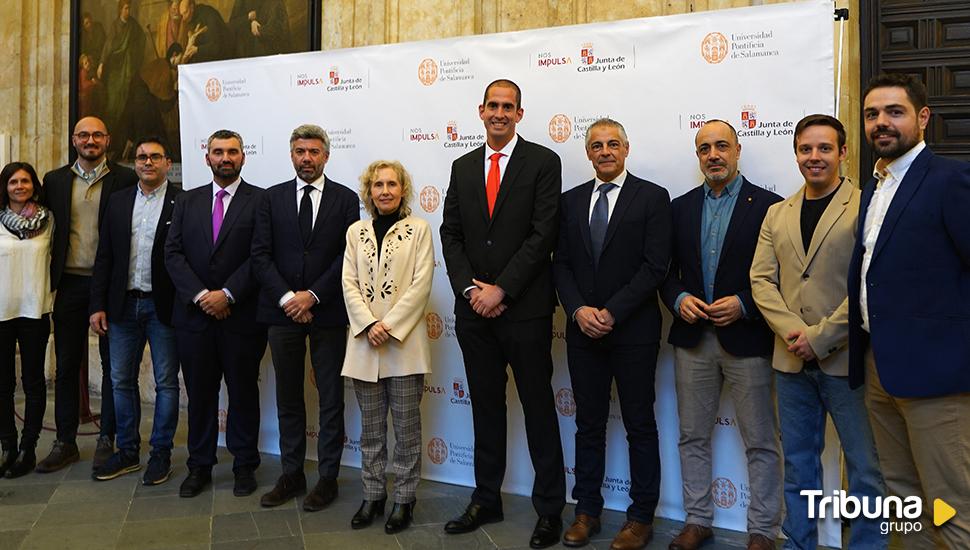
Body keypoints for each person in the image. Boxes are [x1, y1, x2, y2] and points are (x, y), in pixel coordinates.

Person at [439, 79, 566, 549]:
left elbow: (543, 235)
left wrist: (503, 290)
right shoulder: (463, 165)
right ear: (480, 110)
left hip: (525, 311)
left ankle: (549, 509)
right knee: (486, 410)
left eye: (507, 106)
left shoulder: (543, 162)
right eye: (492, 105)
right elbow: (450, 234)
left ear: (519, 113)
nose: (499, 113)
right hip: (474, 312)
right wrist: (473, 289)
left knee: (538, 410)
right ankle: (485, 498)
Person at [750, 114, 885, 550]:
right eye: (806, 149)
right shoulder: (776, 212)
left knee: (865, 467)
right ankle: (798, 542)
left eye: (825, 148)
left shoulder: (865, 206)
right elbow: (761, 281)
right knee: (799, 465)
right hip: (791, 360)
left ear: (843, 153)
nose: (815, 157)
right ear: (796, 154)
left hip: (847, 360)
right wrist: (797, 334)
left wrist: (821, 337)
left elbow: (869, 281)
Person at [848, 73, 970, 548]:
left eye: (894, 112)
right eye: (872, 114)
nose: (881, 123)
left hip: (938, 375)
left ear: (922, 118)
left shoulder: (950, 180)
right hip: (881, 366)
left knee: (952, 506)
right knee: (904, 500)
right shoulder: (876, 186)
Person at [660, 120, 783, 550]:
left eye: (721, 146)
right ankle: (697, 520)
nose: (713, 155)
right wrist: (678, 300)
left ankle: (764, 530)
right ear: (698, 156)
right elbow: (665, 273)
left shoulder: (770, 207)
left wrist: (745, 304)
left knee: (761, 440)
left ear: (737, 150)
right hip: (693, 340)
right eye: (704, 148)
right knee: (692, 435)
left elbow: (780, 276)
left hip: (748, 340)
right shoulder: (679, 207)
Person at [552, 119, 671, 550]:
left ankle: (641, 517)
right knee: (589, 425)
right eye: (597, 145)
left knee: (640, 424)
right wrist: (580, 310)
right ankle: (586, 511)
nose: (605, 151)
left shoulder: (653, 197)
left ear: (626, 149)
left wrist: (611, 312)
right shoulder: (569, 202)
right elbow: (560, 264)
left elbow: (655, 266)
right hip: (583, 332)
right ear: (588, 153)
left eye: (613, 144)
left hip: (634, 331)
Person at [252, 124, 359, 511]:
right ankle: (292, 474)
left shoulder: (346, 200)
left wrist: (312, 296)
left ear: (326, 156)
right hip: (281, 314)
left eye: (314, 152)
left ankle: (327, 478)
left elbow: (347, 257)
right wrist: (288, 298)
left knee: (331, 398)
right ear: (291, 154)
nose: (307, 158)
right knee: (288, 397)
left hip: (327, 310)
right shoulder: (271, 199)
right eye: (300, 151)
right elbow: (260, 255)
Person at [165, 129, 266, 498]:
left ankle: (244, 466)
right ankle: (199, 466)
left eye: (233, 152)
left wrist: (227, 294)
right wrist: (201, 296)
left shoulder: (261, 202)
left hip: (241, 319)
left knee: (242, 394)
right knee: (201, 396)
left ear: (243, 157)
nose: (226, 158)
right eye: (218, 152)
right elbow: (172, 255)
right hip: (194, 320)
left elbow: (260, 255)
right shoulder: (187, 201)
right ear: (207, 157)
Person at [39, 116, 137, 473]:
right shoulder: (54, 180)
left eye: (97, 134)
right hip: (69, 285)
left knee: (115, 367)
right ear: (73, 140)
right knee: (65, 366)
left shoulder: (125, 178)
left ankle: (107, 438)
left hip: (111, 285)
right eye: (84, 135)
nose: (90, 140)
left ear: (108, 140)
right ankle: (65, 441)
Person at [341, 160, 434, 534]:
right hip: (364, 345)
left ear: (402, 189)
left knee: (407, 431)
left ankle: (404, 500)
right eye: (377, 184)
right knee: (372, 431)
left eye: (391, 184)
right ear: (369, 190)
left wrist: (389, 326)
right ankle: (373, 495)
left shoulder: (419, 230)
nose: (384, 190)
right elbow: (348, 282)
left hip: (403, 345)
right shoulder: (355, 231)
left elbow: (421, 284)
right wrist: (367, 324)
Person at [88, 137, 181, 485]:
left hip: (164, 307)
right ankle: (127, 451)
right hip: (122, 306)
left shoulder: (181, 202)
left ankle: (161, 454)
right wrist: (97, 305)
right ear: (135, 163)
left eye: (155, 157)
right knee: (120, 381)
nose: (147, 162)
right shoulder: (117, 201)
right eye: (141, 157)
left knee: (166, 383)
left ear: (167, 163)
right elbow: (105, 257)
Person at [0, 162, 53, 479]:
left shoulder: (49, 221)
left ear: (34, 184)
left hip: (34, 311)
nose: (19, 186)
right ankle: (7, 446)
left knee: (33, 383)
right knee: (3, 384)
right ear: (5, 187)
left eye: (25, 181)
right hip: (1, 313)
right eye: (13, 182)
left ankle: (28, 448)